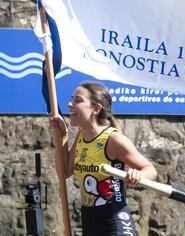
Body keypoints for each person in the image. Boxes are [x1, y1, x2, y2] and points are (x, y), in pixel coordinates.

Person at [51, 81, 157, 236]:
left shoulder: (113, 139)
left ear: (95, 109)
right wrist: (63, 134)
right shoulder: (81, 135)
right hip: (89, 221)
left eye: (78, 100)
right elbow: (65, 172)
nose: (70, 104)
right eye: (71, 99)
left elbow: (151, 170)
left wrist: (139, 175)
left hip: (115, 220)